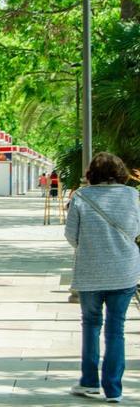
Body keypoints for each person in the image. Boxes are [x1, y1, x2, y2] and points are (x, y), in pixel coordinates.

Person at [65, 152, 140, 403]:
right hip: (124, 271)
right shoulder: (133, 196)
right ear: (120, 171)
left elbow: (71, 236)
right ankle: (114, 390)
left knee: (91, 325)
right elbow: (136, 230)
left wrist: (91, 246)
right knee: (116, 328)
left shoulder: (81, 197)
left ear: (91, 174)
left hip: (90, 272)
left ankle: (89, 382)